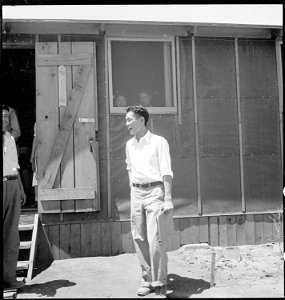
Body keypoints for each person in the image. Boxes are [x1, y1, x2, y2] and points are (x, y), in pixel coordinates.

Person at [125, 105, 174, 298]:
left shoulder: (158, 142)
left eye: (130, 119)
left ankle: (160, 283)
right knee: (139, 238)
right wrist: (133, 190)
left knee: (156, 240)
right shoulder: (129, 145)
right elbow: (130, 169)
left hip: (155, 192)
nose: (127, 123)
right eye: (126, 120)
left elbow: (166, 171)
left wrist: (167, 198)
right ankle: (147, 280)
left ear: (141, 120)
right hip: (136, 193)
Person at [3, 105, 26, 290]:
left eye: (6, 117)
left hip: (11, 185)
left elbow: (15, 167)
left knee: (11, 235)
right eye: (1, 117)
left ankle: (9, 277)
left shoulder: (10, 139)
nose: (5, 120)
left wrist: (21, 189)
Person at [30, 122, 38, 204]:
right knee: (36, 177)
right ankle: (37, 201)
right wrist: (32, 155)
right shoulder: (37, 122)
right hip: (39, 154)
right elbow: (35, 139)